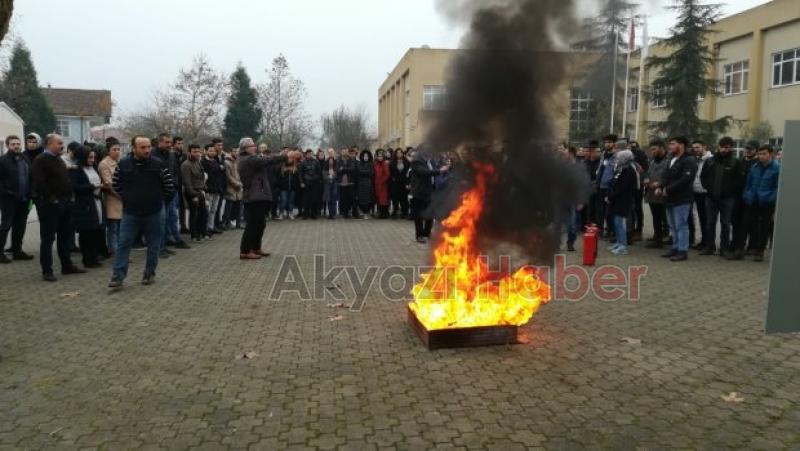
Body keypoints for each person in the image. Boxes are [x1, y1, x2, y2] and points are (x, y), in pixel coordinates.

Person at [108, 135, 174, 288]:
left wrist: (157, 200)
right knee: (124, 243)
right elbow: (116, 185)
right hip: (131, 213)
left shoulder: (159, 164)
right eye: (143, 147)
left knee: (153, 245)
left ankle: (149, 273)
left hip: (154, 212)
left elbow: (169, 186)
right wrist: (129, 198)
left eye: (149, 146)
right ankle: (118, 276)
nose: (147, 150)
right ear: (133, 148)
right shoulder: (123, 164)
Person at [31, 134, 85, 281]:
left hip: (66, 203)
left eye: (62, 143)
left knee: (65, 236)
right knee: (48, 238)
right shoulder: (40, 160)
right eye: (59, 143)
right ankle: (47, 271)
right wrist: (52, 199)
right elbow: (39, 183)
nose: (62, 146)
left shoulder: (58, 159)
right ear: (49, 144)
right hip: (50, 205)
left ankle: (66, 266)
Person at [238, 138, 296, 260]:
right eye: (252, 145)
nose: (255, 147)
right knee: (252, 224)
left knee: (260, 224)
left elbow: (267, 160)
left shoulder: (252, 158)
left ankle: (256, 248)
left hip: (259, 195)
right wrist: (285, 156)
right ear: (245, 148)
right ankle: (245, 251)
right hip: (253, 196)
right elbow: (268, 159)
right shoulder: (249, 159)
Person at [699, 137, 743, 256]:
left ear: (731, 148)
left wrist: (730, 191)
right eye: (722, 147)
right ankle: (709, 247)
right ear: (718, 147)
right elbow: (703, 177)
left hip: (727, 199)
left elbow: (739, 180)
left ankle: (724, 248)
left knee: (725, 223)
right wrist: (708, 188)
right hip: (710, 198)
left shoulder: (735, 162)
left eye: (727, 147)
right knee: (710, 223)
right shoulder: (710, 161)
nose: (724, 149)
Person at [658, 136, 698, 262]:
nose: (670, 146)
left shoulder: (689, 160)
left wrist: (668, 189)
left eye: (672, 144)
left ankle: (682, 251)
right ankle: (675, 248)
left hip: (682, 198)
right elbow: (666, 175)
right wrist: (661, 186)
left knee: (681, 225)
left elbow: (685, 180)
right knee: (672, 225)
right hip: (669, 198)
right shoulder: (671, 158)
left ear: (681, 145)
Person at [740, 144, 780, 262]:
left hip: (767, 202)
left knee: (764, 227)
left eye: (764, 154)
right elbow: (749, 182)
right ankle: (741, 249)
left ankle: (759, 251)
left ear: (771, 154)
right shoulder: (755, 167)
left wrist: (771, 198)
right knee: (746, 224)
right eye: (760, 154)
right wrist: (746, 195)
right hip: (752, 200)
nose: (761, 156)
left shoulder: (777, 168)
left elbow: (778, 187)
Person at [68, 146, 105, 268]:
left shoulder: (94, 168)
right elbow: (75, 187)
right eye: (89, 157)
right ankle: (87, 259)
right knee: (86, 233)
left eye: (93, 157)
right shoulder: (76, 170)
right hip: (84, 205)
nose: (92, 160)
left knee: (95, 231)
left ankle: (94, 257)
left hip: (96, 202)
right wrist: (92, 186)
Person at [0, 135, 34, 263]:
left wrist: (32, 192)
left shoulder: (24, 158)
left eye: (18, 144)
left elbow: (30, 177)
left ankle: (17, 251)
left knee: (20, 226)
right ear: (8, 146)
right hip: (9, 199)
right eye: (13, 144)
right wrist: (7, 192)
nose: (16, 146)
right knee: (5, 225)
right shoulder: (2, 160)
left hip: (24, 198)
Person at [728, 140, 760, 259]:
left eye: (750, 149)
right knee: (735, 221)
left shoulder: (757, 163)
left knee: (748, 223)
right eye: (746, 148)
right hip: (737, 197)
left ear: (756, 150)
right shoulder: (739, 161)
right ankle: (735, 243)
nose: (747, 150)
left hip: (751, 198)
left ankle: (748, 247)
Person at [409, 148, 449, 243]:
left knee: (430, 215)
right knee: (419, 216)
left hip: (430, 192)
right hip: (419, 193)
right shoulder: (416, 162)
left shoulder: (430, 161)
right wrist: (440, 171)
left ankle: (427, 234)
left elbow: (434, 170)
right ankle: (420, 235)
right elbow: (424, 173)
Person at [606, 150, 639, 255]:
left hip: (623, 200)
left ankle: (623, 246)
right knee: (616, 223)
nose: (616, 159)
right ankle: (619, 242)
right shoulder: (621, 169)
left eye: (618, 158)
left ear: (624, 159)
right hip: (617, 200)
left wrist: (610, 197)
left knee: (619, 223)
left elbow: (622, 188)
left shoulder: (628, 170)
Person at [643, 141, 669, 249]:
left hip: (662, 193)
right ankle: (657, 236)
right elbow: (648, 173)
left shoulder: (668, 161)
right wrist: (646, 179)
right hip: (651, 192)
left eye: (654, 149)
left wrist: (660, 184)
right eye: (651, 149)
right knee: (655, 217)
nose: (652, 152)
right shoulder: (653, 161)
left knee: (662, 217)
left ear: (662, 148)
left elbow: (669, 176)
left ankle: (662, 238)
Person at [181, 144, 209, 242]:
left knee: (204, 213)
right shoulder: (186, 165)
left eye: (198, 151)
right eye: (194, 151)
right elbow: (186, 182)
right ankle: (194, 235)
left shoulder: (198, 163)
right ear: (189, 152)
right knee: (194, 214)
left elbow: (201, 177)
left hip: (200, 191)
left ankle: (202, 232)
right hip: (192, 192)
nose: (197, 153)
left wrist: (205, 189)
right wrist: (193, 195)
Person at [595, 134, 618, 238]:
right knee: (600, 210)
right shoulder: (604, 154)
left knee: (610, 212)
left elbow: (617, 172)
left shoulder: (617, 155)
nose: (607, 144)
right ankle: (600, 230)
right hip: (601, 186)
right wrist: (597, 183)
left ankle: (611, 231)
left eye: (609, 142)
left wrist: (612, 185)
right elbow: (600, 169)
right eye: (605, 142)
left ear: (614, 143)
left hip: (610, 187)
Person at [202, 144, 225, 235]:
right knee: (208, 209)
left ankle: (211, 227)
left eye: (213, 151)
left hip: (217, 188)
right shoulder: (203, 162)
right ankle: (205, 227)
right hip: (209, 189)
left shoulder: (215, 161)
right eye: (210, 151)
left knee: (214, 209)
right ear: (206, 151)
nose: (212, 152)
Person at [630, 141, 649, 241]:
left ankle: (638, 230)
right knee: (631, 208)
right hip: (630, 184)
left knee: (637, 207)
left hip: (638, 184)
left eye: (634, 146)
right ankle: (631, 228)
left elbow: (645, 168)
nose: (632, 147)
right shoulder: (626, 154)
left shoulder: (640, 154)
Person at [223, 147, 243, 229]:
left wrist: (240, 183)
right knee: (229, 208)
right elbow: (228, 176)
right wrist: (237, 184)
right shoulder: (226, 162)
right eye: (234, 151)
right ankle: (227, 223)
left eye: (237, 151)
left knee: (239, 207)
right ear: (230, 152)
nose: (236, 153)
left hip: (239, 187)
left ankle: (238, 224)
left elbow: (240, 174)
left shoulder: (237, 162)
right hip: (230, 188)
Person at [299, 149, 322, 220]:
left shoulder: (316, 162)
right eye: (308, 154)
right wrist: (301, 182)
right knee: (306, 200)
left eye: (310, 153)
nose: (309, 155)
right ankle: (305, 214)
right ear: (306, 154)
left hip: (314, 183)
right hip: (306, 183)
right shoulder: (303, 162)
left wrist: (315, 178)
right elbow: (300, 174)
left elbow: (319, 172)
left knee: (314, 199)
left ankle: (313, 214)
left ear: (312, 154)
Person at [338, 148, 359, 219]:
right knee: (344, 199)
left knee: (352, 198)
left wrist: (343, 169)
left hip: (350, 182)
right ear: (341, 152)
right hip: (342, 183)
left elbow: (352, 169)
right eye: (343, 151)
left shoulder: (351, 160)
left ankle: (355, 212)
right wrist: (345, 169)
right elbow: (338, 170)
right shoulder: (338, 160)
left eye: (346, 151)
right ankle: (345, 213)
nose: (344, 153)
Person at [389, 149, 411, 219]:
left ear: (402, 154)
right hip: (395, 183)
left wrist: (408, 182)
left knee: (404, 199)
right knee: (395, 199)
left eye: (400, 153)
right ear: (395, 154)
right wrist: (392, 178)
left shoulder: (406, 162)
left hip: (404, 183)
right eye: (397, 153)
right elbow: (390, 172)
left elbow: (408, 173)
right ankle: (395, 212)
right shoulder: (392, 162)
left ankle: (404, 213)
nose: (399, 154)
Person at [356, 149, 375, 218]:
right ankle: (363, 212)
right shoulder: (359, 163)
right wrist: (366, 172)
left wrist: (365, 172)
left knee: (369, 198)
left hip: (369, 183)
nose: (365, 157)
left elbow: (372, 173)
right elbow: (359, 171)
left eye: (367, 156)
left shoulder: (371, 164)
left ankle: (367, 212)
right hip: (361, 183)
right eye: (364, 156)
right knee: (361, 198)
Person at [374, 149, 391, 219]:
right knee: (379, 199)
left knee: (384, 200)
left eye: (381, 156)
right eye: (378, 156)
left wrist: (382, 181)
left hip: (383, 185)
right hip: (377, 184)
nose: (380, 158)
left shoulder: (385, 164)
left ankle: (385, 213)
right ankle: (381, 213)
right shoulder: (376, 164)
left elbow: (387, 174)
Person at [322, 151, 339, 219]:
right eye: (330, 160)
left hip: (334, 184)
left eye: (332, 160)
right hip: (327, 185)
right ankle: (330, 214)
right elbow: (323, 176)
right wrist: (329, 176)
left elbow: (337, 175)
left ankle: (333, 214)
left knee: (333, 199)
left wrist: (333, 175)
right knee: (328, 199)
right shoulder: (325, 168)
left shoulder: (335, 168)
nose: (331, 161)